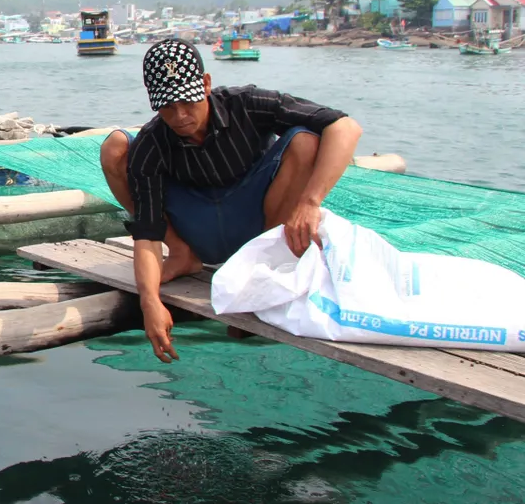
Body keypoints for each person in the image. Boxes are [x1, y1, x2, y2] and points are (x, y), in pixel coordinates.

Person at [100, 38, 362, 363]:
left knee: (306, 141)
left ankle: (264, 264)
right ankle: (183, 255)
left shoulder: (248, 103)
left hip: (257, 222)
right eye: (167, 107)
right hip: (199, 226)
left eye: (188, 102)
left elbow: (345, 127)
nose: (180, 116)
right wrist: (150, 302)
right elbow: (148, 234)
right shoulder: (153, 144)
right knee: (114, 146)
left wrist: (310, 202)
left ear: (207, 84)